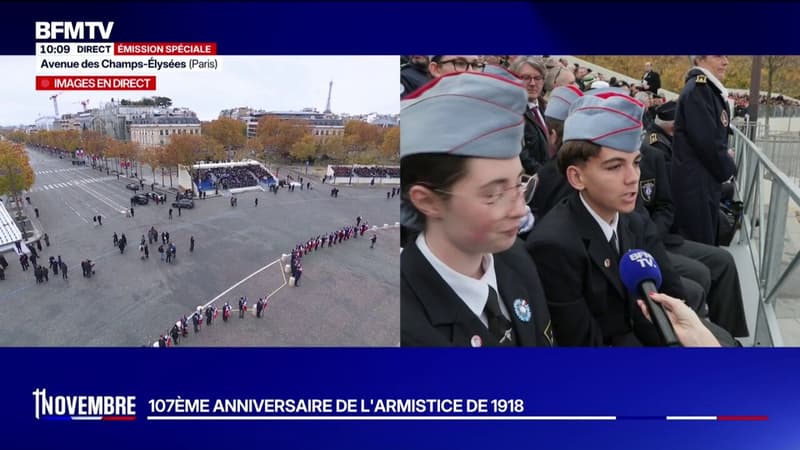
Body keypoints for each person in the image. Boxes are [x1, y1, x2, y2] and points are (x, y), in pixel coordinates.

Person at [526, 93, 735, 347]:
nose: (632, 177)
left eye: (636, 163)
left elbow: (672, 295)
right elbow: (584, 346)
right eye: (614, 167)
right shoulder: (554, 246)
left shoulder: (635, 221)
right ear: (577, 177)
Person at [401, 71, 554, 347]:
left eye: (520, 182)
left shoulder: (515, 257)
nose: (520, 210)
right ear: (427, 201)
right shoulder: (407, 326)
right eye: (493, 193)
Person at [672, 55, 736, 245]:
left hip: (702, 183)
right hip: (696, 186)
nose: (726, 61)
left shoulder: (706, 90)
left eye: (726, 55)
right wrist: (729, 168)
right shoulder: (699, 91)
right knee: (700, 244)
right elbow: (708, 143)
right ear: (700, 58)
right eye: (718, 55)